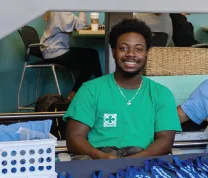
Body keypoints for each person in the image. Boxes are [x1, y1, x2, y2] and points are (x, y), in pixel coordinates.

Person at [63, 18, 182, 160]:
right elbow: (74, 137)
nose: (131, 54)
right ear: (113, 51)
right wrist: (101, 156)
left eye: (138, 49)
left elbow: (165, 141)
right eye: (123, 48)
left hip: (143, 162)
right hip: (97, 161)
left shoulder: (161, 94)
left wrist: (135, 160)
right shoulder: (90, 90)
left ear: (146, 53)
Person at [40, 12, 103, 102]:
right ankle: (101, 90)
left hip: (52, 50)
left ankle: (75, 95)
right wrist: (82, 10)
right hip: (55, 52)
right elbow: (80, 26)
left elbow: (79, 24)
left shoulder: (57, 10)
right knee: (91, 59)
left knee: (91, 57)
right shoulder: (61, 11)